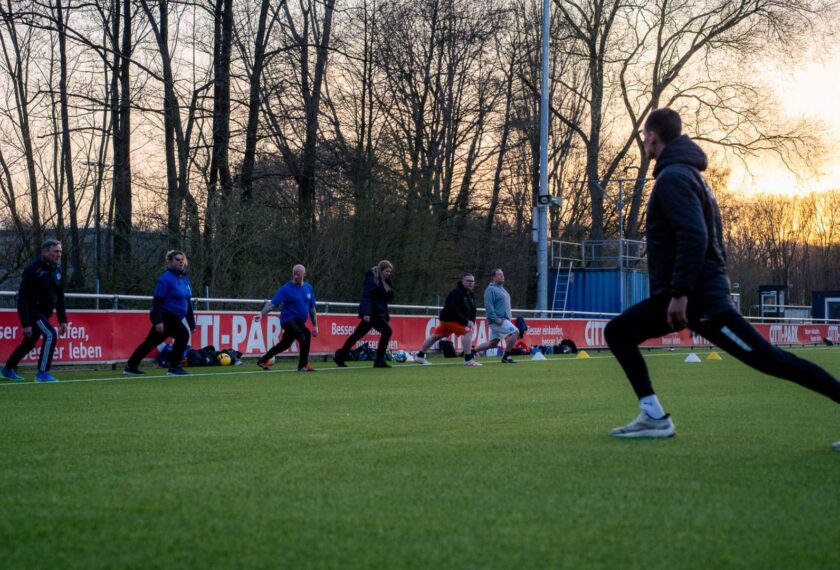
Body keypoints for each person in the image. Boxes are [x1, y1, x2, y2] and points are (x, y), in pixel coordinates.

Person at [605, 107, 840, 449]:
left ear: (653, 135)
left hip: (697, 298)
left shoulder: (674, 178)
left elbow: (695, 236)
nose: (644, 141)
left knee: (769, 359)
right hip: (684, 294)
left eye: (645, 135)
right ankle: (653, 416)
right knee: (619, 332)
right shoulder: (688, 175)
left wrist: (681, 292)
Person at [1, 240, 68, 382]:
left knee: (29, 343)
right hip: (33, 312)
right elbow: (23, 298)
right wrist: (25, 323)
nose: (59, 254)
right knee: (50, 334)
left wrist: (62, 320)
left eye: (60, 251)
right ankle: (42, 373)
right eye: (55, 251)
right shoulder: (33, 269)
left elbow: (60, 296)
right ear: (45, 252)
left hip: (45, 313)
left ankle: (8, 369)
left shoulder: (57, 270)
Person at [124, 250, 196, 377]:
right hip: (165, 315)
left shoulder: (185, 280)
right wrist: (158, 321)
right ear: (170, 262)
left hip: (175, 317)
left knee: (150, 343)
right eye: (177, 259)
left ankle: (131, 366)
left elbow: (188, 303)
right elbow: (157, 301)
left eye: (182, 259)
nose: (180, 262)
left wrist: (192, 323)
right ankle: (174, 368)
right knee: (183, 335)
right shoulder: (165, 279)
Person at [254, 264, 318, 372]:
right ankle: (303, 365)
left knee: (284, 345)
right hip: (288, 320)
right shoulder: (286, 289)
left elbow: (312, 308)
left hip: (298, 322)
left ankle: (262, 361)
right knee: (304, 335)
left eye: (298, 274)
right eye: (294, 274)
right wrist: (261, 314)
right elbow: (272, 304)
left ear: (304, 274)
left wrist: (315, 325)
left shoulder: (308, 288)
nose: (296, 276)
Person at [334, 260, 395, 368]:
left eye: (390, 272)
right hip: (372, 313)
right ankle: (379, 360)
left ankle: (340, 356)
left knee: (357, 335)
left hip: (378, 313)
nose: (388, 274)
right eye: (387, 271)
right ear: (381, 270)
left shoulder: (384, 282)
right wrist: (366, 313)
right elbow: (366, 297)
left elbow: (384, 300)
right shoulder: (372, 279)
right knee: (387, 331)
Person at [414, 273, 481, 366]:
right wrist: (466, 322)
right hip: (449, 320)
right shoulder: (456, 292)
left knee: (435, 336)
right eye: (468, 281)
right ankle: (468, 359)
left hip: (451, 321)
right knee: (468, 331)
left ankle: (419, 356)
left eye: (472, 281)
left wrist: (472, 321)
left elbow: (473, 309)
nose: (471, 283)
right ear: (462, 281)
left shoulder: (470, 294)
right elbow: (454, 310)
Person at [473, 268, 519, 364]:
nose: (502, 276)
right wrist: (496, 319)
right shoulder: (490, 290)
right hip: (498, 320)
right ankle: (506, 356)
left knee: (493, 344)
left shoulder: (502, 290)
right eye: (499, 274)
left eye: (502, 274)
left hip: (503, 320)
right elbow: (489, 306)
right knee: (516, 332)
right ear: (493, 278)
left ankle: (471, 352)